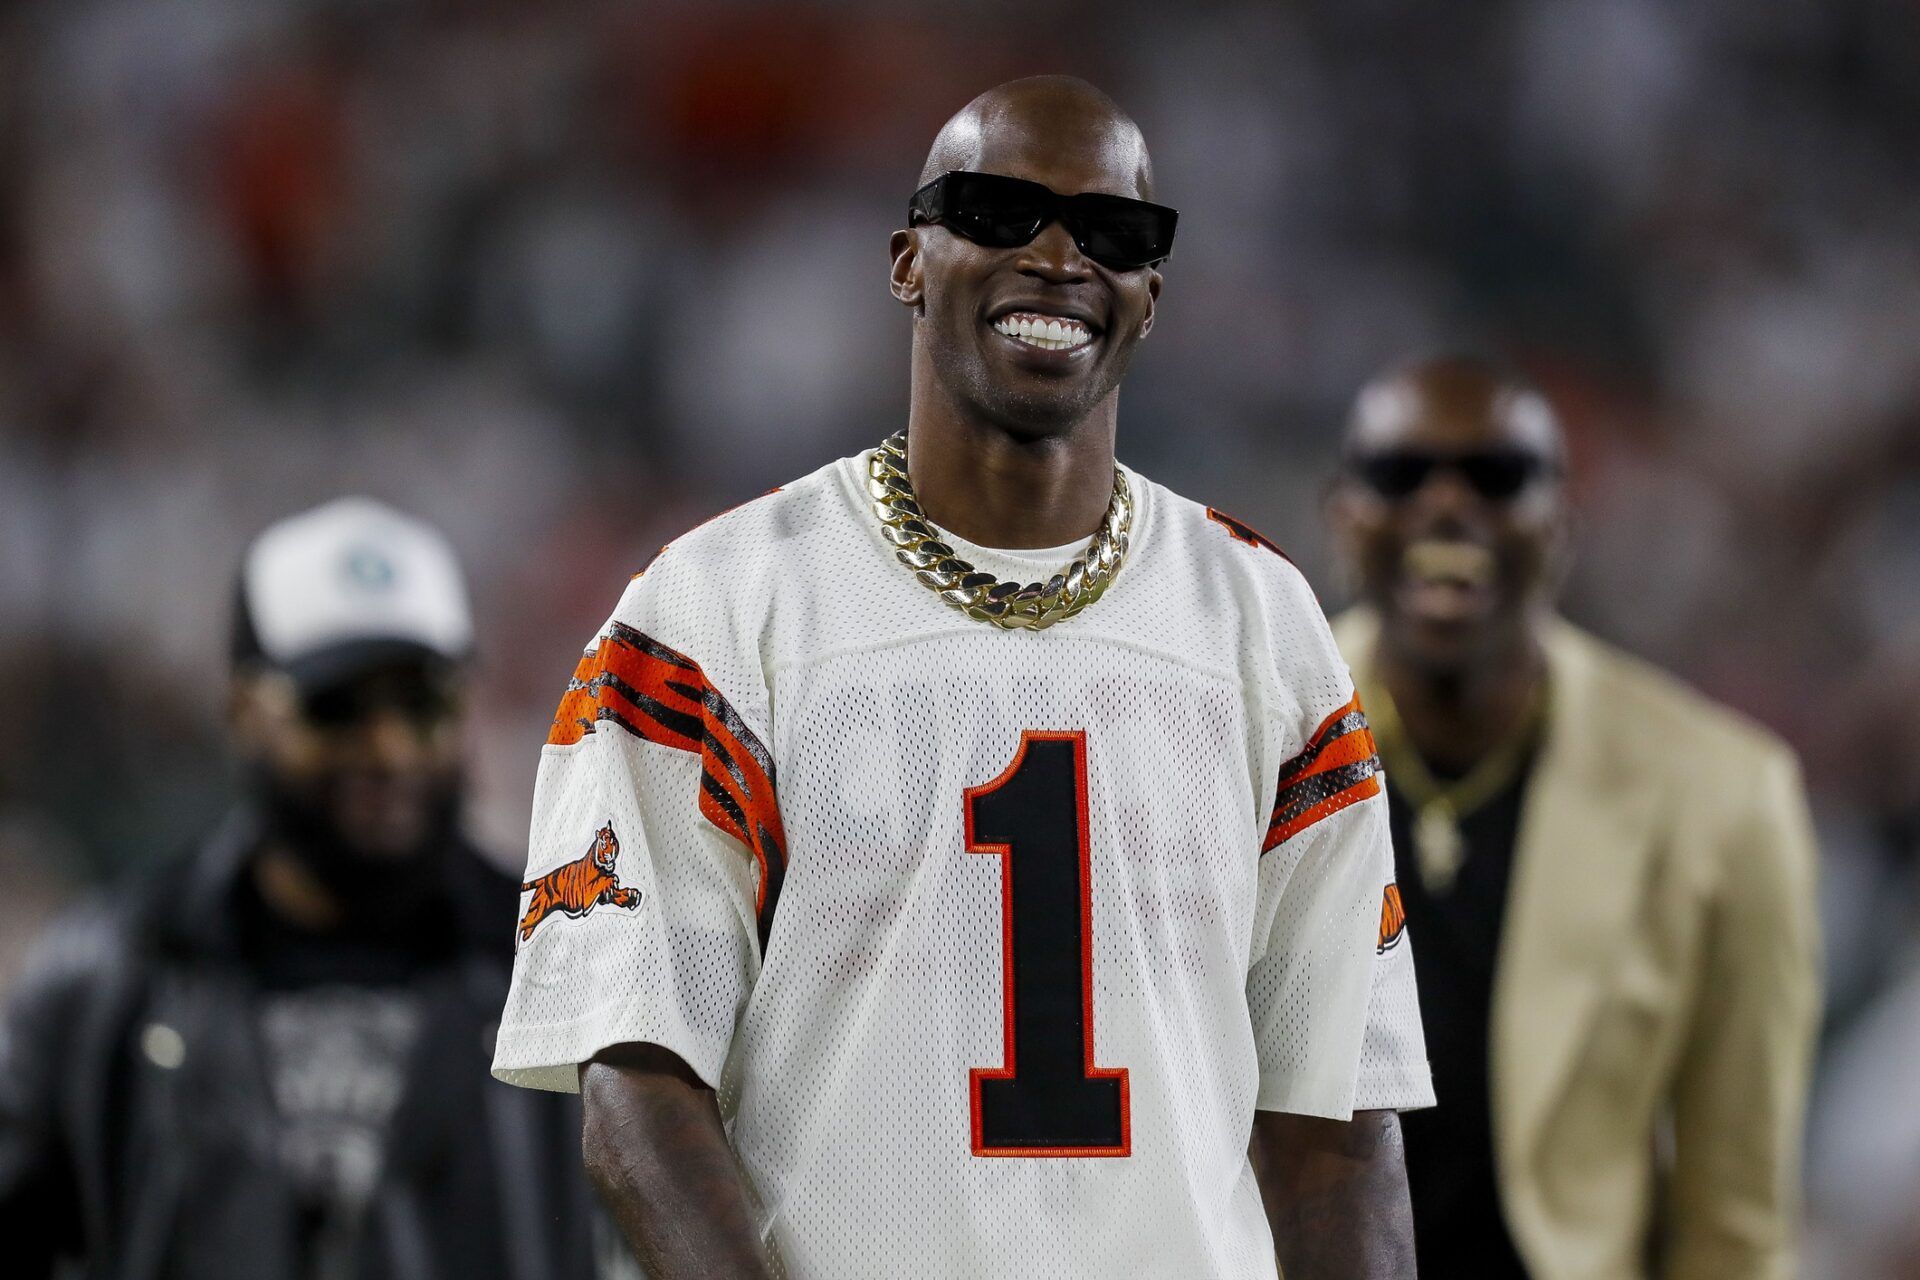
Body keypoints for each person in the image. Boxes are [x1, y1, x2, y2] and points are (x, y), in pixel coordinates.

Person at [493, 76, 1434, 1280]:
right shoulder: (708, 612)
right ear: (906, 261)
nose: (1057, 255)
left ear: (1152, 295)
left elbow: (1340, 1116)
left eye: (1114, 234)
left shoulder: (1264, 623)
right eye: (997, 212)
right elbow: (635, 1079)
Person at [0, 497, 602, 1279]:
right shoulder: (107, 980)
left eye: (422, 703)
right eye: (339, 707)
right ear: (243, 711)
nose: (388, 749)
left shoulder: (565, 970)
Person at [1324, 355, 1822, 1280]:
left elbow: (1736, 1222)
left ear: (1563, 522)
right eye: (1400, 473)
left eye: (1498, 476)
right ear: (1341, 514)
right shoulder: (1232, 748)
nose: (1444, 505)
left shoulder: (1723, 795)